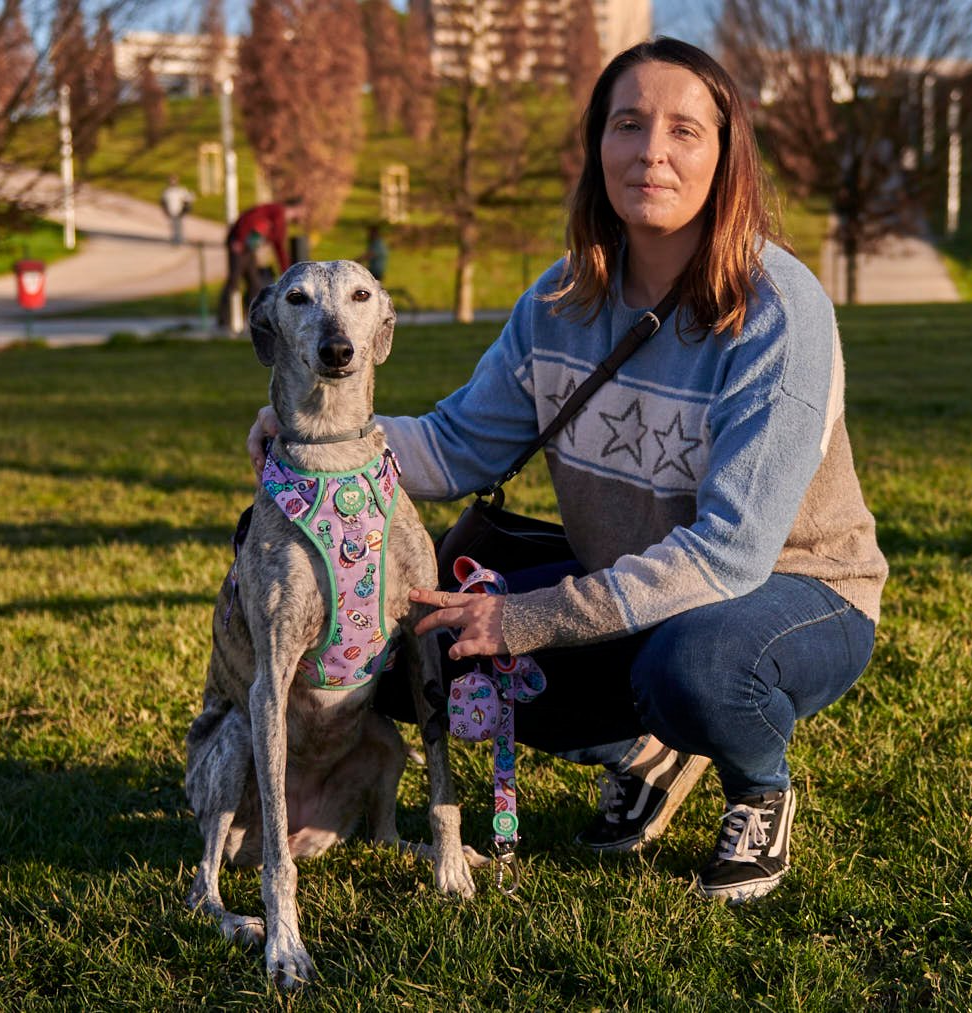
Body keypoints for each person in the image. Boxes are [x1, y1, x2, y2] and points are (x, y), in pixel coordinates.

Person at [246, 39, 887, 903]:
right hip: (632, 583)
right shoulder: (561, 300)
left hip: (793, 590)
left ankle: (757, 789)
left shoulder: (779, 309)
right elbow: (458, 443)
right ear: (598, 148)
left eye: (684, 130)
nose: (651, 150)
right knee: (410, 642)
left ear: (725, 157)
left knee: (692, 670)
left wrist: (529, 617)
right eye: (628, 124)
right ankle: (650, 750)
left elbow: (732, 552)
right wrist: (318, 443)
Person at [220, 197, 306, 330]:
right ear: (297, 209)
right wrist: (240, 238)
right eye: (303, 211)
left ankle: (251, 320)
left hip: (248, 249)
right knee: (233, 282)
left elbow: (279, 247)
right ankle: (224, 320)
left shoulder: (280, 220)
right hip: (238, 245)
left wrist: (287, 272)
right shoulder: (276, 211)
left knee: (254, 283)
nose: (303, 215)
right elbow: (249, 218)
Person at [160, 175, 195, 246]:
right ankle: (175, 239)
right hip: (171, 211)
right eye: (171, 180)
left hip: (179, 211)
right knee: (173, 225)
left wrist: (186, 207)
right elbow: (163, 202)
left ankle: (179, 239)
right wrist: (165, 210)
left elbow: (188, 199)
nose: (172, 182)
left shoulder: (181, 190)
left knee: (178, 225)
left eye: (174, 180)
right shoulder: (167, 191)